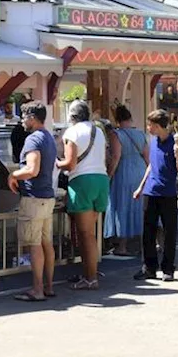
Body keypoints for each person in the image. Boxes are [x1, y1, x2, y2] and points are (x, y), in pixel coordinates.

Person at [7, 100, 58, 302]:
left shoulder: (33, 140)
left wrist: (13, 176)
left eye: (23, 117)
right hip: (47, 196)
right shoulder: (49, 137)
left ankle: (37, 289)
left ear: (31, 118)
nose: (22, 121)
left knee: (34, 244)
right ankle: (49, 286)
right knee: (47, 242)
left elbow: (31, 169)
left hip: (33, 197)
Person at [57, 100, 108, 290]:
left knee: (85, 234)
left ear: (71, 116)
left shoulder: (72, 132)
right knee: (91, 234)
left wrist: (56, 163)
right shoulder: (99, 131)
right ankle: (90, 273)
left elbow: (70, 164)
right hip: (101, 180)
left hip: (82, 181)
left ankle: (90, 278)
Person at [134, 109, 178, 281]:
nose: (148, 128)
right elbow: (151, 166)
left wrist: (177, 155)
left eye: (150, 125)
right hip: (150, 191)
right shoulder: (153, 142)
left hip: (168, 193)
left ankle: (168, 269)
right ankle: (149, 268)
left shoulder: (173, 143)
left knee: (170, 232)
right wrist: (140, 187)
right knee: (148, 232)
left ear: (158, 126)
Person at [104, 104, 147, 256]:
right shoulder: (141, 134)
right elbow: (147, 157)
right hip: (140, 172)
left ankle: (122, 246)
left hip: (124, 173)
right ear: (130, 118)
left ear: (117, 120)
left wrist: (109, 176)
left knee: (122, 206)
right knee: (139, 208)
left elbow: (116, 157)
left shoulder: (116, 134)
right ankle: (143, 244)